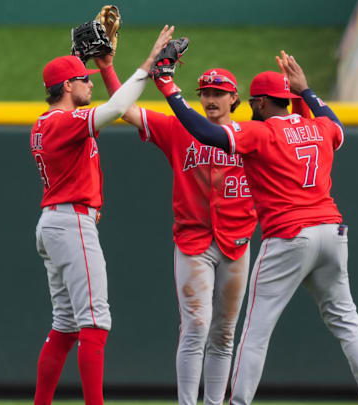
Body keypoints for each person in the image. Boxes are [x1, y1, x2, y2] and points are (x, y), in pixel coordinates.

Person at [152, 50, 358, 405]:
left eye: (253, 103)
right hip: (332, 231)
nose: (251, 108)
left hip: (290, 236)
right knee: (348, 323)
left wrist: (169, 88)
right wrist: (307, 91)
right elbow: (336, 124)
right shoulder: (320, 127)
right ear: (292, 101)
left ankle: (239, 402)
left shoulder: (262, 134)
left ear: (261, 103)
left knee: (254, 331)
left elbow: (206, 132)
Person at [30, 25, 174, 405]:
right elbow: (114, 110)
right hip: (70, 221)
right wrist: (147, 64)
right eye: (83, 80)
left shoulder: (47, 123)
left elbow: (105, 106)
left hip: (56, 222)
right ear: (65, 87)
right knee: (95, 321)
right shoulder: (61, 123)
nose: (89, 84)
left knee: (65, 325)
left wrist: (99, 63)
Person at [106, 67, 257, 405]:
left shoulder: (251, 134)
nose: (211, 98)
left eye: (219, 93)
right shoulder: (179, 129)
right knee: (196, 327)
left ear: (235, 98)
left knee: (224, 332)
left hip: (236, 242)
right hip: (194, 244)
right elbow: (123, 108)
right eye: (205, 92)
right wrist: (107, 68)